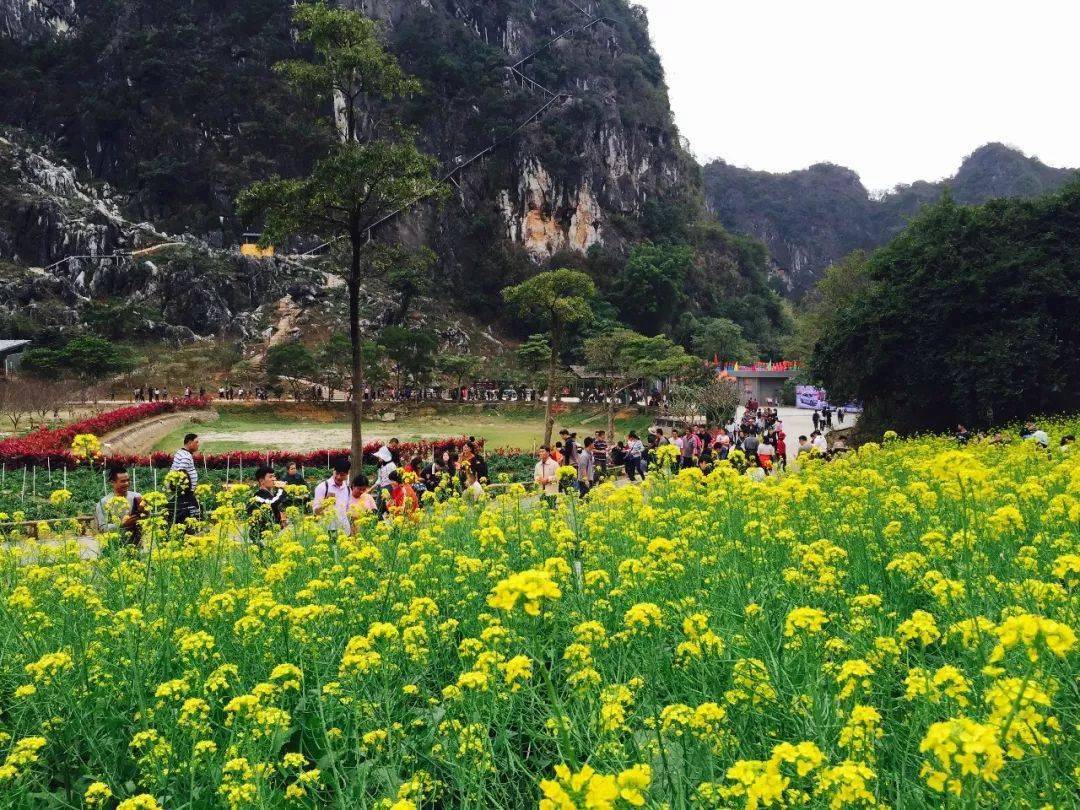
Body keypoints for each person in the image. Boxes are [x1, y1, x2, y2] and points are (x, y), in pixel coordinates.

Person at [95, 466, 143, 545]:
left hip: (136, 543)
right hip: (114, 546)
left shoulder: (137, 497)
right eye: (123, 481)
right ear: (112, 482)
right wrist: (122, 525)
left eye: (128, 480)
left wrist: (145, 512)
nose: (127, 483)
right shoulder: (104, 502)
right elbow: (103, 528)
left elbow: (144, 518)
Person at [168, 433, 201, 525]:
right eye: (196, 442)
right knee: (193, 510)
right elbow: (180, 474)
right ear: (190, 443)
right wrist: (183, 490)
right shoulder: (186, 456)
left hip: (183, 492)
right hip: (184, 493)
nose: (198, 444)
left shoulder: (180, 452)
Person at [313, 458, 352, 533]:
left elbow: (348, 511)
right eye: (336, 473)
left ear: (347, 474)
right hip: (327, 530)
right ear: (333, 470)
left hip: (344, 530)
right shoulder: (323, 487)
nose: (338, 477)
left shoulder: (347, 489)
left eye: (342, 475)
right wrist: (326, 503)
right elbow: (316, 512)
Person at [248, 466, 286, 538]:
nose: (274, 479)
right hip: (260, 537)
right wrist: (281, 489)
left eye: (274, 476)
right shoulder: (258, 496)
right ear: (262, 481)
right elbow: (272, 503)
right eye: (270, 477)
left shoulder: (271, 495)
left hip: (271, 535)